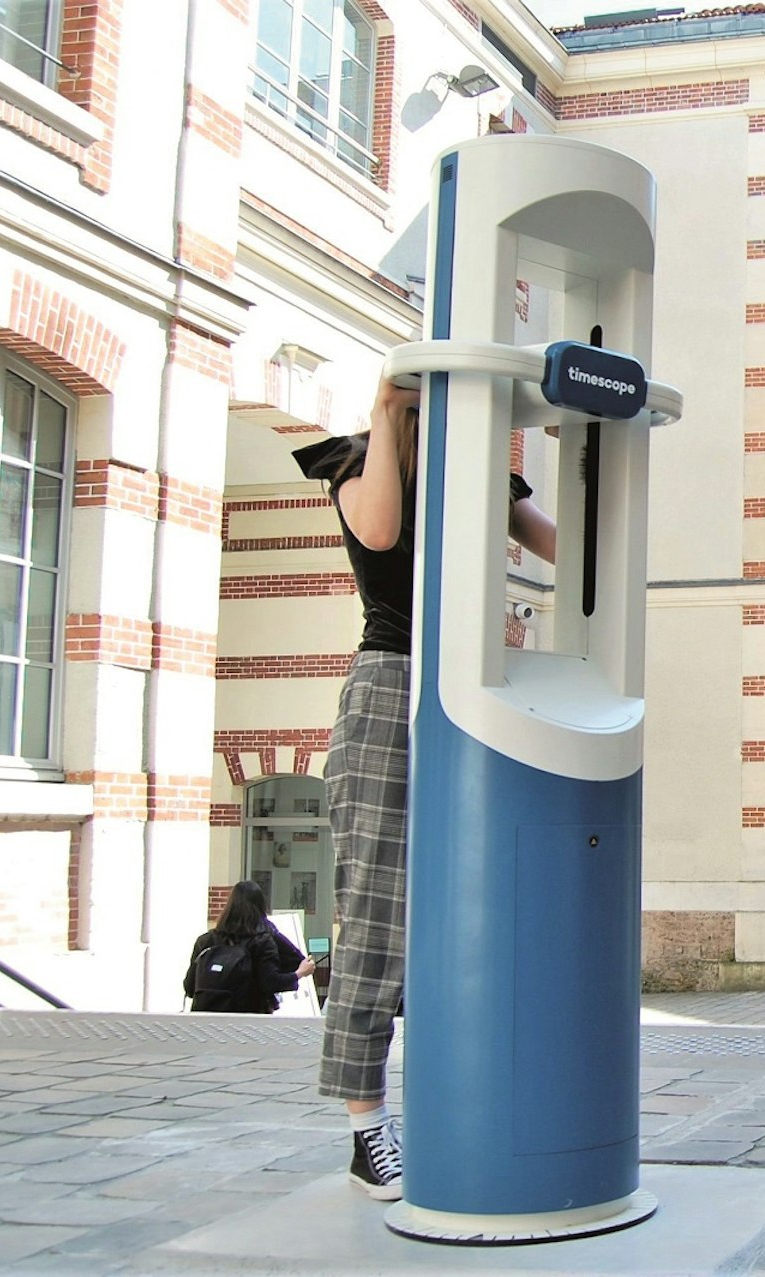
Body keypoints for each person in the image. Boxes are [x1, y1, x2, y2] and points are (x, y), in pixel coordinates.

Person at [293, 377, 557, 1201]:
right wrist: (382, 414)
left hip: (477, 686)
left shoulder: (478, 472)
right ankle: (367, 1125)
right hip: (391, 684)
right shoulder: (359, 459)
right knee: (374, 905)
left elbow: (566, 544)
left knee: (489, 897)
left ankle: (477, 1095)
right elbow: (378, 533)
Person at [184, 879, 315, 1013]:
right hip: (248, 1020)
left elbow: (189, 987)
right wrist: (299, 973)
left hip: (206, 1021)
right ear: (260, 905)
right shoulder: (262, 942)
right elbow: (271, 982)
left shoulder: (205, 941)